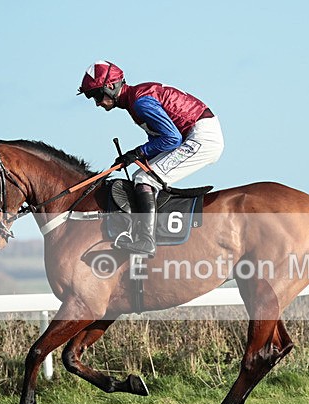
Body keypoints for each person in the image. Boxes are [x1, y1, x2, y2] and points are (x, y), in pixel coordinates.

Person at [78, 61, 224, 257]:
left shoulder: (140, 102)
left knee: (145, 179)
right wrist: (132, 157)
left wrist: (137, 152)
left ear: (111, 86)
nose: (97, 103)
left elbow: (172, 139)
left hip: (202, 138)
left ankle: (146, 241)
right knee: (141, 174)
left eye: (96, 95)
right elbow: (161, 139)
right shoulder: (134, 101)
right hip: (194, 133)